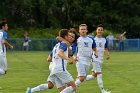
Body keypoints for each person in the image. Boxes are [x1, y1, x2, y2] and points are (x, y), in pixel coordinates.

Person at [26, 29, 77, 93]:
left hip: (53, 69)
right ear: (66, 36)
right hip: (60, 69)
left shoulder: (57, 45)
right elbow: (60, 53)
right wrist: (68, 59)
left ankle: (31, 91)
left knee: (54, 87)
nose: (71, 37)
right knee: (74, 87)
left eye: (73, 37)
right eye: (69, 35)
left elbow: (49, 59)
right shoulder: (64, 44)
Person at [86, 24, 111, 93]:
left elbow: (105, 48)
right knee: (99, 74)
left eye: (101, 30)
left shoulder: (105, 39)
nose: (100, 31)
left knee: (93, 76)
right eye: (98, 30)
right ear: (96, 31)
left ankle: (79, 79)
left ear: (103, 31)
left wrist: (108, 54)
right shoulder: (92, 39)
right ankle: (103, 91)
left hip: (101, 59)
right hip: (94, 58)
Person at [73, 24, 98, 90]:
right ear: (79, 31)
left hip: (88, 61)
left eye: (84, 29)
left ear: (87, 30)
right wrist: (74, 56)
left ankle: (73, 88)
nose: (83, 30)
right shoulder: (77, 39)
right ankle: (71, 89)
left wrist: (96, 53)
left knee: (83, 78)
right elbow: (72, 50)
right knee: (81, 78)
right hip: (80, 60)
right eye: (81, 29)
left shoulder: (91, 39)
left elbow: (94, 49)